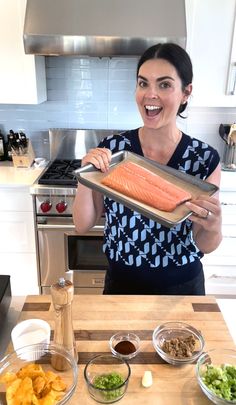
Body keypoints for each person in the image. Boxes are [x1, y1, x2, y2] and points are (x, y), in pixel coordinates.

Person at [73, 42, 222, 295]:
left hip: (182, 288)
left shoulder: (204, 158)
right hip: (121, 284)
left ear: (186, 92)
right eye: (143, 83)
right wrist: (84, 175)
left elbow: (205, 244)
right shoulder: (114, 150)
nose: (150, 94)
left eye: (164, 84)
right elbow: (82, 225)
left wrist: (214, 225)